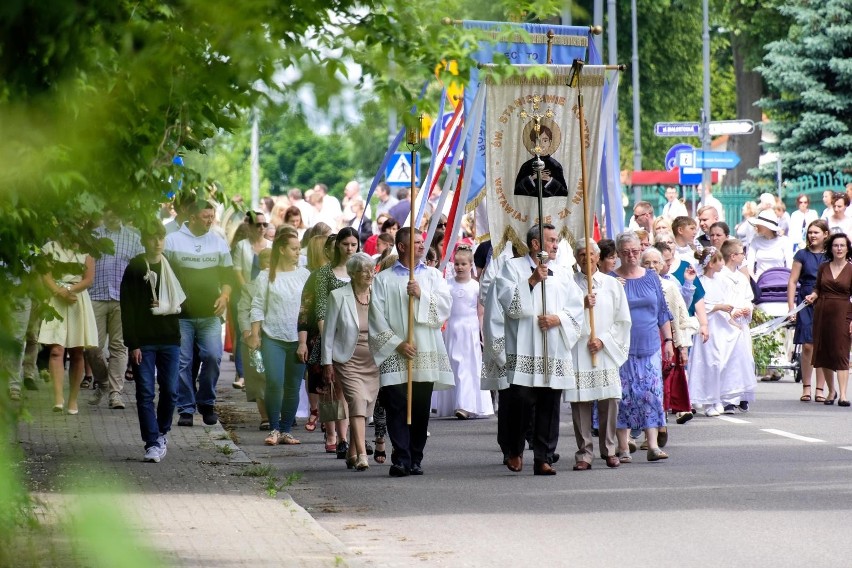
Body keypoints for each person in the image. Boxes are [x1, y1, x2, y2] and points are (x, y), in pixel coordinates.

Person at [494, 224, 585, 475]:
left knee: (549, 403)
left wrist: (560, 319)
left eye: (556, 240)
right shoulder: (512, 268)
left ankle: (543, 457)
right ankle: (515, 450)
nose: (556, 245)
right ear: (536, 244)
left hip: (552, 346)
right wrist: (532, 280)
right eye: (552, 240)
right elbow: (509, 305)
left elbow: (576, 307)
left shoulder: (564, 272)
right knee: (520, 400)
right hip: (524, 346)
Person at [369, 227, 453, 477]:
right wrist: (397, 343)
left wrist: (421, 294)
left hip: (424, 350)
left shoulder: (433, 277)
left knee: (419, 408)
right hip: (396, 353)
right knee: (396, 405)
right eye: (415, 242)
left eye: (422, 241)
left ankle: (416, 456)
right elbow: (376, 317)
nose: (421, 245)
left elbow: (444, 309)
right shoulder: (383, 279)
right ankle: (401, 458)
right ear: (402, 247)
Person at [164, 198, 234, 427]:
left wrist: (224, 296)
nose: (210, 220)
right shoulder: (172, 241)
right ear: (192, 217)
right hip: (181, 314)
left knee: (213, 356)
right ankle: (186, 408)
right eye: (206, 217)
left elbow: (228, 277)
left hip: (210, 313)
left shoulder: (218, 242)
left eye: (212, 216)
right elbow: (163, 275)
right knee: (183, 362)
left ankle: (206, 401)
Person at [120, 223, 185, 463]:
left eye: (161, 237)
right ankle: (152, 442)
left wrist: (169, 306)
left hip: (170, 338)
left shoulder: (172, 265)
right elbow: (127, 307)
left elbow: (182, 298)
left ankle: (162, 432)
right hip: (144, 341)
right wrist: (133, 343)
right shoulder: (135, 267)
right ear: (144, 240)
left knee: (170, 390)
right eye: (153, 237)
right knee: (145, 391)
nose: (157, 242)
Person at [611, 231, 674, 463]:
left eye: (635, 251)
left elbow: (662, 311)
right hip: (621, 348)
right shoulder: (611, 279)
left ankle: (653, 445)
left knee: (651, 394)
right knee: (623, 395)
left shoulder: (651, 277)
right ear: (618, 254)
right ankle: (623, 446)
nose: (631, 255)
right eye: (626, 252)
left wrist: (668, 341)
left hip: (650, 345)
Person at [568, 240, 630, 470]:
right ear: (576, 258)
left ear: (597, 256)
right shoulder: (569, 285)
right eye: (581, 254)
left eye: (590, 253)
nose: (586, 258)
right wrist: (581, 305)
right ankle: (584, 453)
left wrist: (603, 340)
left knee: (609, 401)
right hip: (579, 349)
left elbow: (622, 320)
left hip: (605, 349)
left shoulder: (612, 285)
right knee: (581, 403)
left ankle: (609, 449)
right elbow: (562, 315)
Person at [248, 229, 310, 445]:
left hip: (298, 339)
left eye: (299, 249)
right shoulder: (266, 275)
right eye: (294, 249)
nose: (298, 252)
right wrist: (255, 334)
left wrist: (306, 340)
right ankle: (273, 428)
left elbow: (308, 308)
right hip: (273, 336)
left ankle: (286, 430)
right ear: (282, 250)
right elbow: (257, 305)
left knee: (293, 385)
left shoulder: (304, 275)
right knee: (274, 382)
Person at [321, 252, 381, 470]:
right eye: (364, 270)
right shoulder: (338, 296)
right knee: (356, 400)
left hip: (373, 361)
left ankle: (351, 453)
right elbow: (328, 333)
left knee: (366, 408)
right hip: (347, 360)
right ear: (353, 274)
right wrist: (327, 363)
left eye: (371, 270)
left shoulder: (378, 294)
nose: (369, 274)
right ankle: (363, 455)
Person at [305, 228, 360, 457]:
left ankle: (345, 438)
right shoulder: (324, 273)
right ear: (337, 245)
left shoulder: (361, 271)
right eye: (345, 244)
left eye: (353, 244)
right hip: (329, 335)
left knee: (348, 391)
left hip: (356, 337)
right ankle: (331, 434)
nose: (349, 248)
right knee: (331, 391)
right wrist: (327, 337)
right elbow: (319, 307)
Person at [86, 210, 144, 410]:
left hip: (123, 299)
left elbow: (140, 271)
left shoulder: (133, 238)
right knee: (92, 346)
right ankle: (102, 382)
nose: (112, 213)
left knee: (119, 347)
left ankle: (115, 393)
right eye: (108, 209)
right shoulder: (93, 236)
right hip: (95, 296)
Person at [433, 245, 494, 419]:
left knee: (467, 367)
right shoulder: (447, 285)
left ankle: (465, 405)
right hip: (452, 329)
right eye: (457, 264)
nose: (460, 267)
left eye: (463, 264)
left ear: (470, 265)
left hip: (470, 330)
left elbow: (480, 312)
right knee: (454, 365)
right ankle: (454, 402)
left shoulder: (476, 286)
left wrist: (483, 335)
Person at [38, 241, 99, 414]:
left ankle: (73, 399)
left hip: (77, 298)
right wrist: (59, 292)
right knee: (56, 350)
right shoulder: (50, 247)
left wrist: (69, 289)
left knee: (77, 351)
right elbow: (46, 275)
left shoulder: (88, 247)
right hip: (56, 297)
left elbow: (88, 279)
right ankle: (58, 397)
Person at [806, 232, 852, 406]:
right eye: (835, 245)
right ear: (831, 248)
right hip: (822, 312)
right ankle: (831, 391)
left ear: (847, 248)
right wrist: (813, 295)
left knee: (841, 352)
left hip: (843, 313)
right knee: (824, 351)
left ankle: (843, 395)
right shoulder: (823, 267)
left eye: (842, 245)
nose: (839, 248)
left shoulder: (851, 269)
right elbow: (817, 288)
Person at [787, 220, 829, 402]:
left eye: (816, 232)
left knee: (822, 346)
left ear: (825, 234)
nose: (812, 235)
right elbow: (792, 281)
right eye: (810, 232)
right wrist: (791, 308)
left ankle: (820, 389)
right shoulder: (802, 255)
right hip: (805, 301)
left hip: (826, 301)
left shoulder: (830, 255)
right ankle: (806, 387)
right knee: (808, 346)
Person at [231, 211, 272, 390]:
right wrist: (247, 289)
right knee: (245, 332)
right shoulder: (242, 246)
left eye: (265, 224)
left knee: (262, 334)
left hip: (267, 295)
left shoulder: (271, 245)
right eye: (258, 224)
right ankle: (242, 374)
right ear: (250, 226)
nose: (262, 228)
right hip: (245, 292)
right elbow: (237, 270)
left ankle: (259, 372)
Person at [238, 248, 272, 429]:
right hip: (254, 337)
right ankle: (265, 416)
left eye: (271, 259)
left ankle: (280, 413)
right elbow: (243, 311)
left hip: (276, 336)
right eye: (264, 259)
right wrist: (247, 333)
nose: (268, 262)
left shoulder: (281, 283)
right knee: (259, 376)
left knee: (275, 377)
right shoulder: (249, 286)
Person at [746, 209, 793, 278]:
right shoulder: (755, 241)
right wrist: (755, 283)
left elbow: (790, 266)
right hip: (760, 282)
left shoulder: (784, 241)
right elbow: (749, 266)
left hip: (780, 281)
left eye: (759, 224)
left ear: (767, 226)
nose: (756, 226)